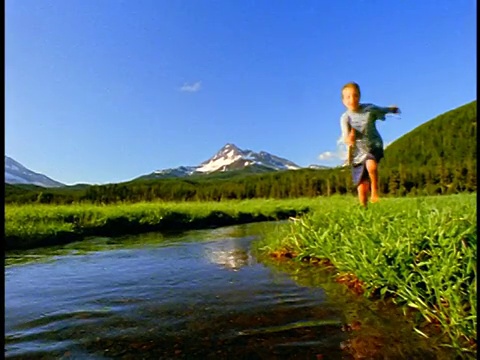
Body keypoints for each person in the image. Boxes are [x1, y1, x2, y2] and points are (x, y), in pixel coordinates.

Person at [340, 82, 400, 207]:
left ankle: (375, 192)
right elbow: (345, 137)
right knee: (361, 186)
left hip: (373, 145)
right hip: (357, 152)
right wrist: (349, 140)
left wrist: (392, 110)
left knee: (371, 165)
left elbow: (382, 110)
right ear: (343, 101)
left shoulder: (369, 109)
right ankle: (364, 209)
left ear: (360, 96)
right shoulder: (345, 118)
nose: (352, 99)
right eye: (348, 97)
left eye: (355, 96)